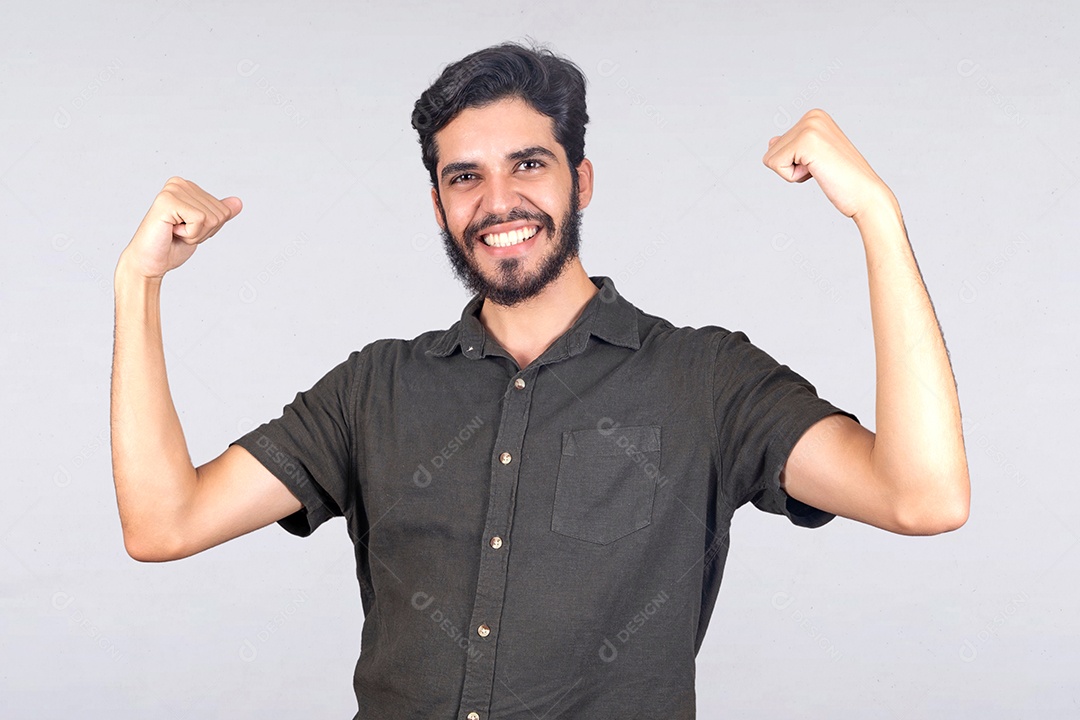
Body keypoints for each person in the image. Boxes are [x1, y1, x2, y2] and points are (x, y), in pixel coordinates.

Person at [111, 41, 969, 719]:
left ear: (580, 179)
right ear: (441, 204)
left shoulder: (705, 380)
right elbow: (163, 522)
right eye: (465, 177)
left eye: (528, 165)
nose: (497, 201)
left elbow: (922, 497)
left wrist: (876, 215)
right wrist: (138, 283)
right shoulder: (375, 388)